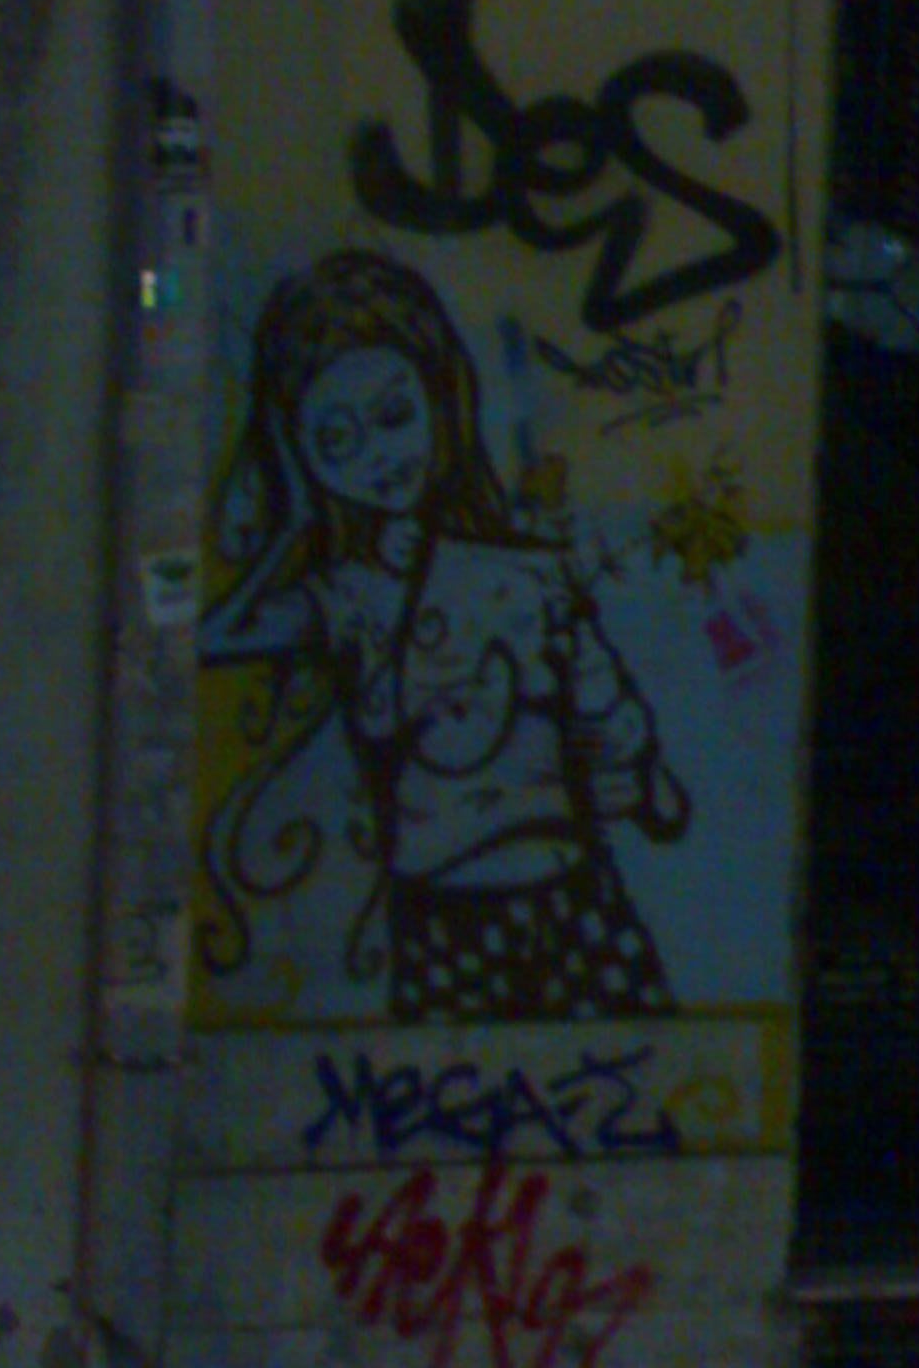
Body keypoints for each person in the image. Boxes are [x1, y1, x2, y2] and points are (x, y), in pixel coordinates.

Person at [198, 248, 688, 1021]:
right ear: (301, 456)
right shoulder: (346, 599)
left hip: (570, 900)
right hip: (443, 923)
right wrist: (292, 522)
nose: (379, 456)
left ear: (438, 397)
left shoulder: (520, 568)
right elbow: (211, 637)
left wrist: (633, 768)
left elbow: (611, 718)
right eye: (336, 441)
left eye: (395, 416)